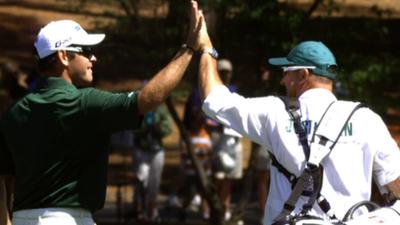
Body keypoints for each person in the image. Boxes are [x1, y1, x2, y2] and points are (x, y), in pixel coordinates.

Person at [0, 1, 209, 224]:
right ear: (63, 56)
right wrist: (189, 49)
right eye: (86, 50)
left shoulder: (14, 112)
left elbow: (4, 178)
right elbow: (147, 99)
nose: (93, 58)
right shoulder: (85, 103)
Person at [196, 19, 400, 225]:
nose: (283, 80)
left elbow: (214, 99)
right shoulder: (366, 119)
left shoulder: (274, 113)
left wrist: (207, 48)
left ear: (303, 75)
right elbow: (396, 184)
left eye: (286, 73)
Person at [212, 58, 243, 221]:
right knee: (218, 177)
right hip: (218, 137)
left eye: (227, 72)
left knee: (229, 177)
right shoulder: (212, 90)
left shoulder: (234, 90)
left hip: (233, 138)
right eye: (222, 72)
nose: (225, 75)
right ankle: (214, 208)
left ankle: (226, 209)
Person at [132, 103, 172, 221]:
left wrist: (158, 128)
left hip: (157, 150)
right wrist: (144, 127)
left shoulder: (161, 109)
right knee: (141, 177)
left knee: (154, 183)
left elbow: (167, 128)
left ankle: (151, 211)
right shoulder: (139, 107)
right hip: (141, 149)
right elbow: (133, 127)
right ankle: (139, 209)